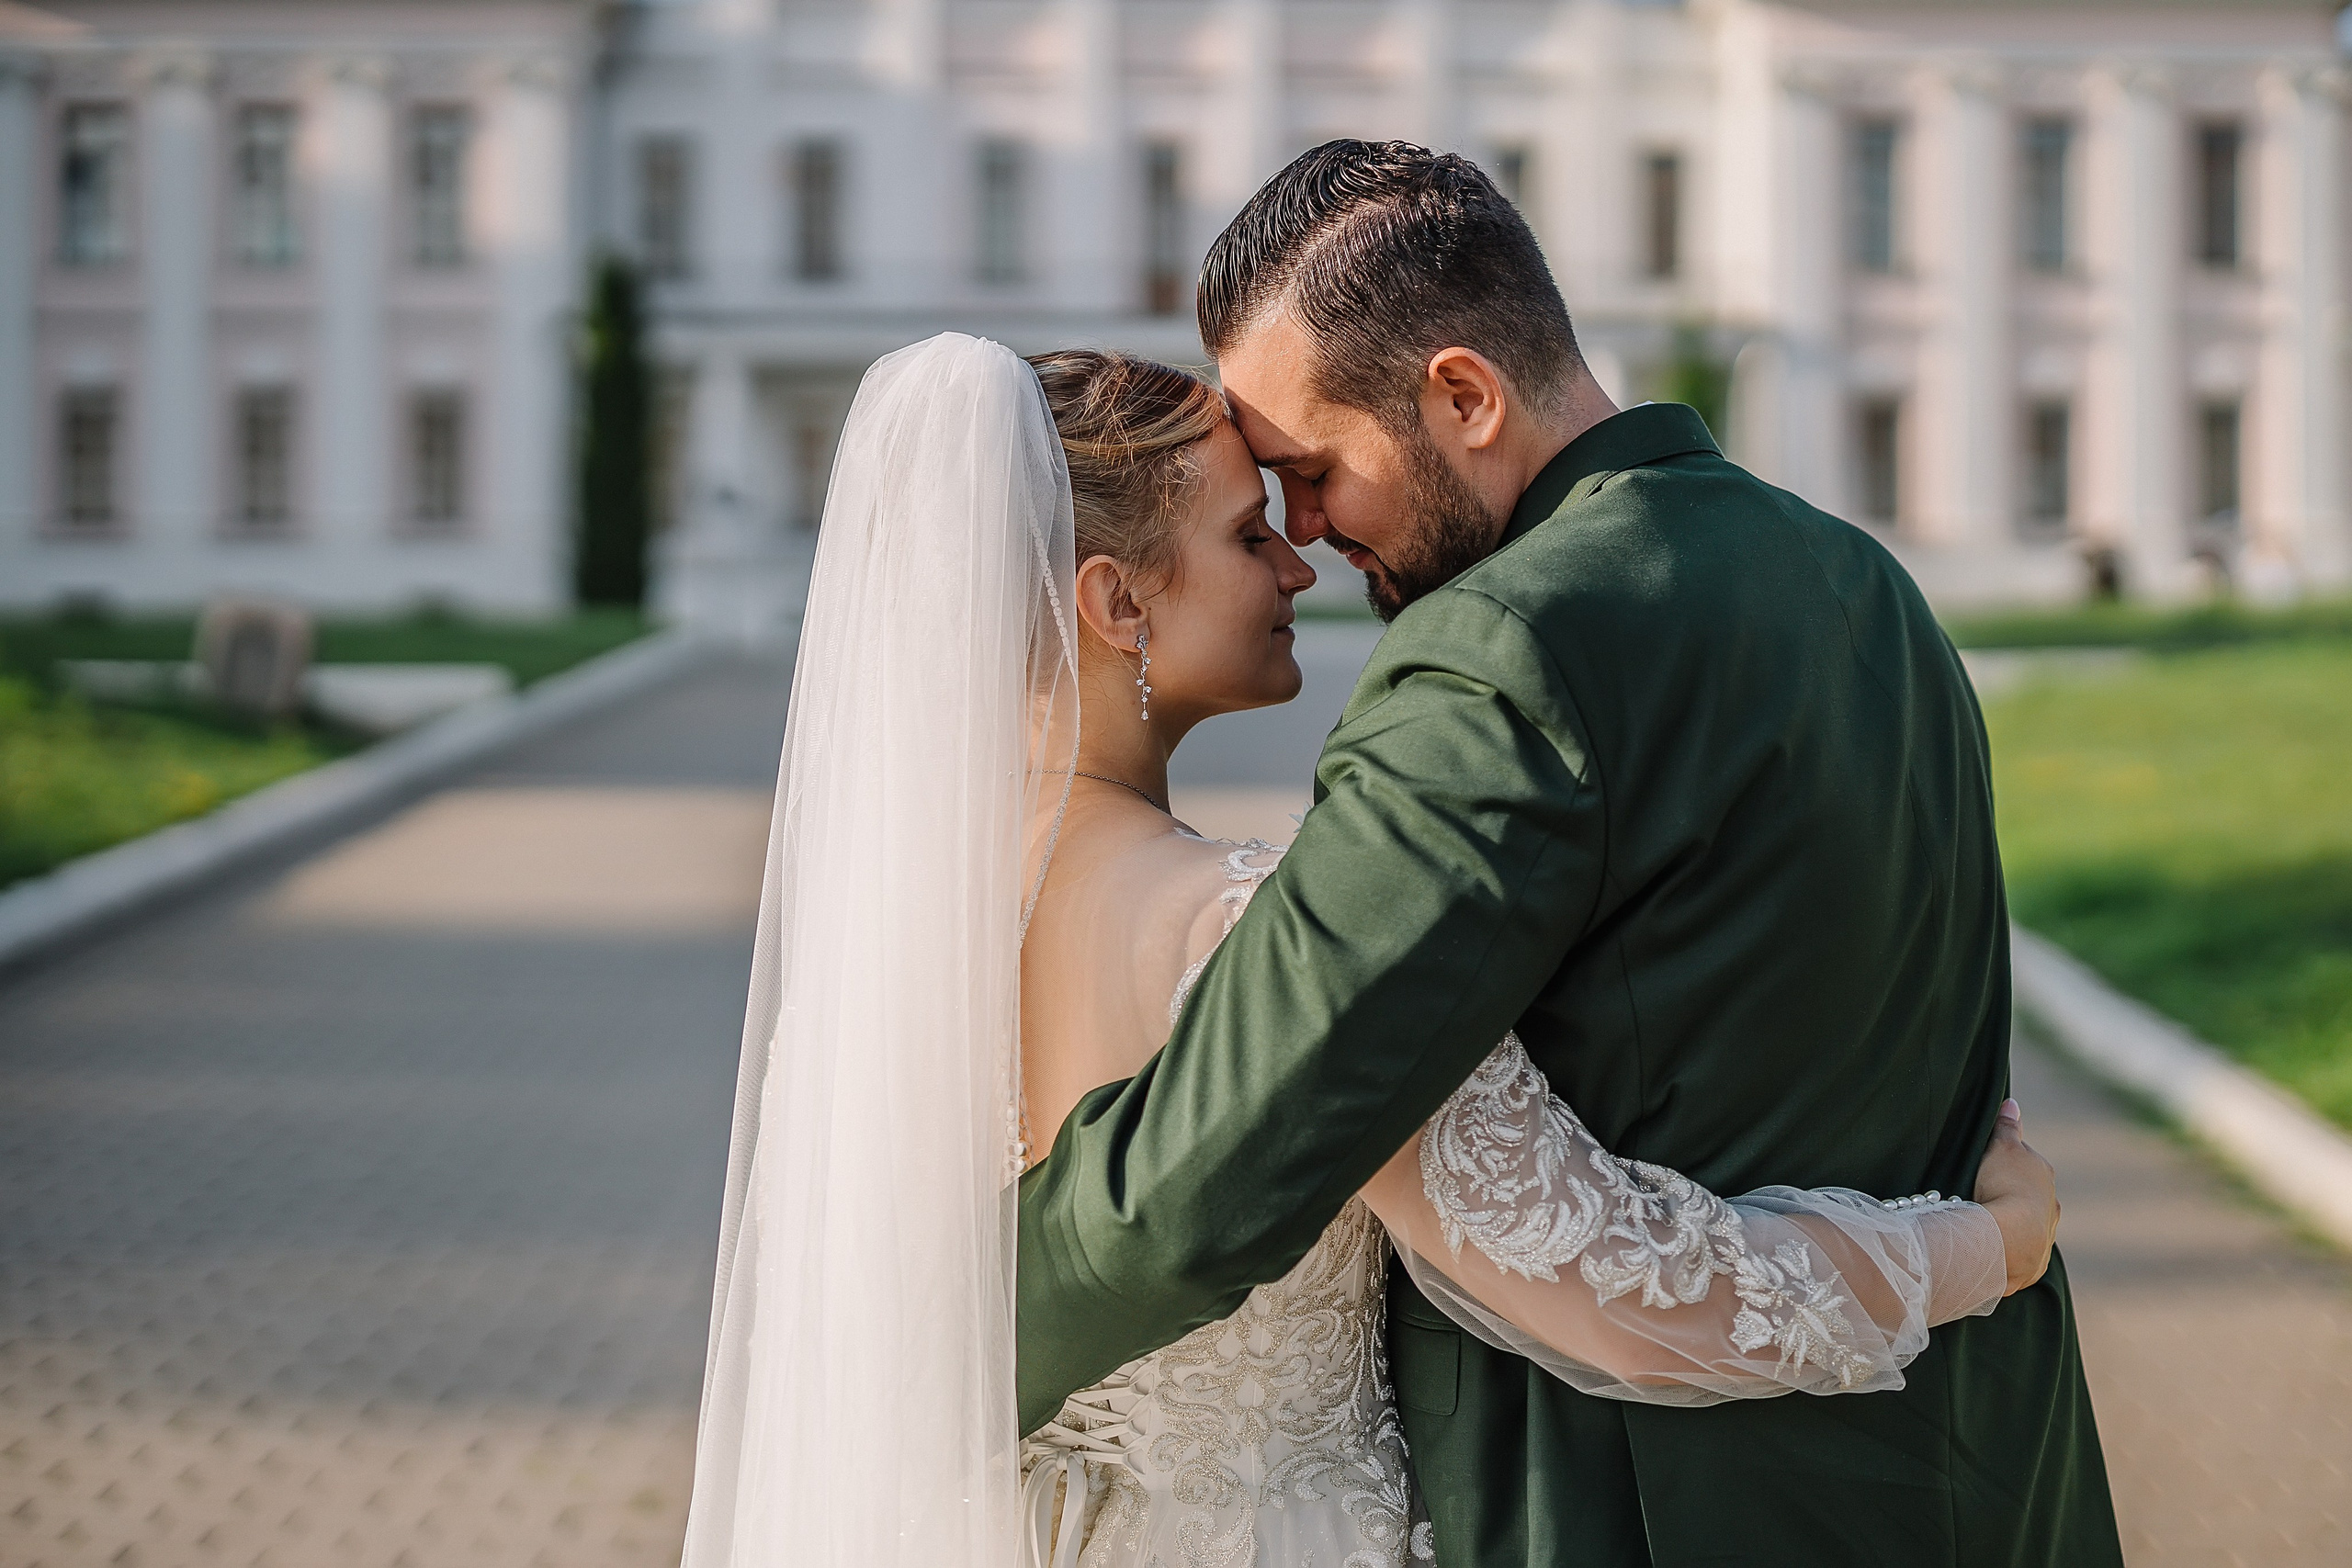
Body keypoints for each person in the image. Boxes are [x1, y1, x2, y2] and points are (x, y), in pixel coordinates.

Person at [675, 313, 2066, 1565]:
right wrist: (1981, 1247)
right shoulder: (1244, 934)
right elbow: (1630, 1288)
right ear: (1115, 602)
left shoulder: (874, 965)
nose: (1301, 560)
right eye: (1247, 534)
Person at [1012, 141, 2125, 1567]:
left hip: (1661, 1513)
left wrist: (920, 1355)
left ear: (1463, 396)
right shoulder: (1865, 583)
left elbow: (1210, 1165)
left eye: (1312, 472)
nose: (1306, 533)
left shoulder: (1504, 650)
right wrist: (1990, 1248)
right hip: (1981, 1474)